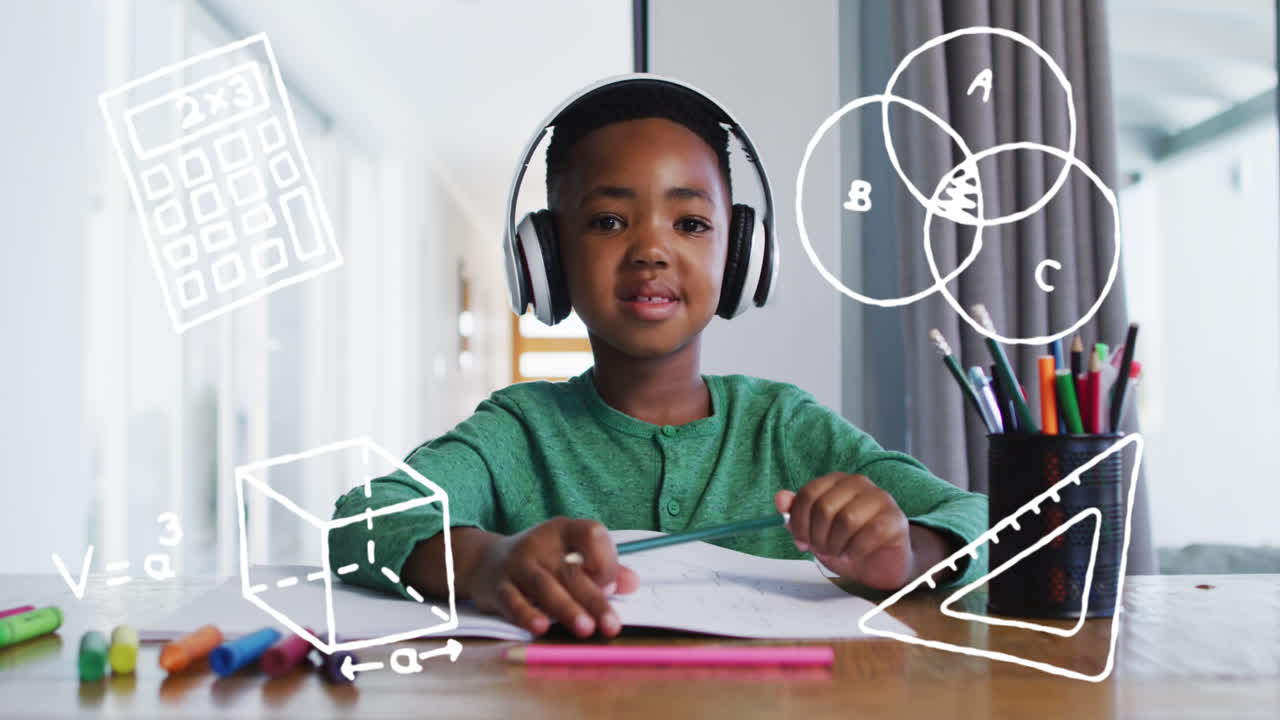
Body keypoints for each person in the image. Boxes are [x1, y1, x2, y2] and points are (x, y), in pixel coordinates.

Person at [330, 77, 987, 639]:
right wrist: (488, 563)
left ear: (740, 258)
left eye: (691, 224)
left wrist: (908, 554)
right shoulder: (518, 432)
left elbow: (984, 520)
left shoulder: (787, 428)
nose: (650, 250)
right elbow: (364, 520)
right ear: (547, 259)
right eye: (609, 222)